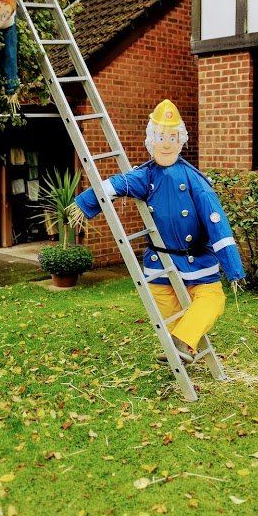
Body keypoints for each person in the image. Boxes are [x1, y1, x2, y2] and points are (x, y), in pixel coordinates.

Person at [74, 99, 245, 364]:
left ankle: (182, 341)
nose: (166, 143)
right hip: (161, 263)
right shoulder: (147, 175)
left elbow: (216, 222)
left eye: (173, 137)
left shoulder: (194, 179)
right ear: (151, 140)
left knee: (212, 298)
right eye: (161, 137)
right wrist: (84, 204)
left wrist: (233, 267)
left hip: (197, 259)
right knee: (166, 308)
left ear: (181, 141)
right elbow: (117, 184)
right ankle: (181, 343)